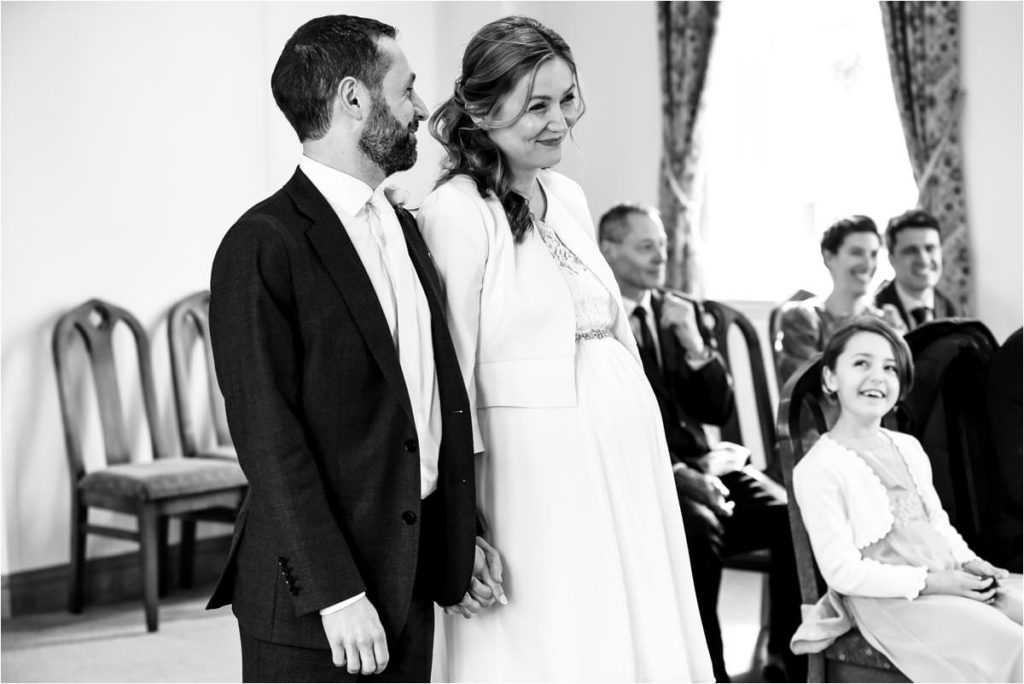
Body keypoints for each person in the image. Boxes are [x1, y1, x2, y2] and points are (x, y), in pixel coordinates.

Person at [416, 16, 713, 682]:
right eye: (537, 105)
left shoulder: (569, 197)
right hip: (533, 482)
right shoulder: (457, 212)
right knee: (556, 635)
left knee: (630, 625)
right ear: (484, 110)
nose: (559, 121)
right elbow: (446, 377)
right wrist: (459, 521)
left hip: (625, 471)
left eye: (566, 99)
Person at [206, 15, 482, 682]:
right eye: (407, 89)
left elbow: (427, 396)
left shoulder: (406, 228)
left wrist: (458, 537)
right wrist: (335, 591)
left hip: (410, 574)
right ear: (353, 99)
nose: (420, 108)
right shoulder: (262, 242)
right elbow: (269, 438)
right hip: (319, 603)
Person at [598, 202, 804, 683]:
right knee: (697, 528)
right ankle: (707, 671)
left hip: (704, 463)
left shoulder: (680, 310)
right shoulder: (597, 316)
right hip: (642, 474)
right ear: (608, 249)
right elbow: (612, 418)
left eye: (663, 246)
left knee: (792, 513)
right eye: (645, 246)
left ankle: (787, 661)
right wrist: (677, 474)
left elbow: (717, 410)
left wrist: (695, 347)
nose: (659, 257)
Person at [790, 316, 1023, 682]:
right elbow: (842, 572)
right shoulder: (820, 468)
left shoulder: (908, 447)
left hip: (947, 577)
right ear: (831, 378)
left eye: (890, 368)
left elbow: (937, 524)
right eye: (861, 363)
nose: (877, 377)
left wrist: (970, 562)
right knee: (1013, 645)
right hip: (890, 602)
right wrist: (935, 583)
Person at [774, 215, 905, 387]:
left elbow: (903, 386)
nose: (868, 264)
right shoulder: (803, 318)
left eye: (873, 254)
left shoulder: (885, 321)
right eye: (857, 253)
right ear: (829, 257)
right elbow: (807, 388)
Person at [875, 209, 959, 330]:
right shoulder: (874, 313)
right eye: (911, 250)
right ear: (891, 259)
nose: (923, 260)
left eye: (930, 248)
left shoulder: (951, 309)